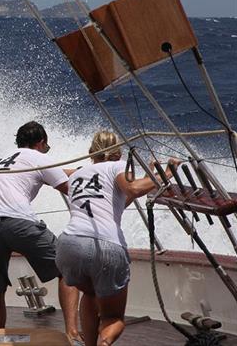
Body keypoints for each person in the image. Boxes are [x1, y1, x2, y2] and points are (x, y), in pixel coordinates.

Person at [55, 130, 174, 346]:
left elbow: (116, 202)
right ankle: (104, 343)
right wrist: (168, 172)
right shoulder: (117, 166)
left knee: (90, 295)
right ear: (118, 154)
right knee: (113, 317)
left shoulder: (77, 173)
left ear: (91, 153)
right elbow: (134, 189)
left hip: (68, 245)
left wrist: (152, 176)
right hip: (105, 248)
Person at [0, 121, 81, 343]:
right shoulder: (39, 157)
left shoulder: (3, 159)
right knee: (67, 269)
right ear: (41, 143)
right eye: (47, 148)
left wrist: (84, 170)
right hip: (18, 223)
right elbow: (69, 187)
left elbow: (59, 172)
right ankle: (72, 334)